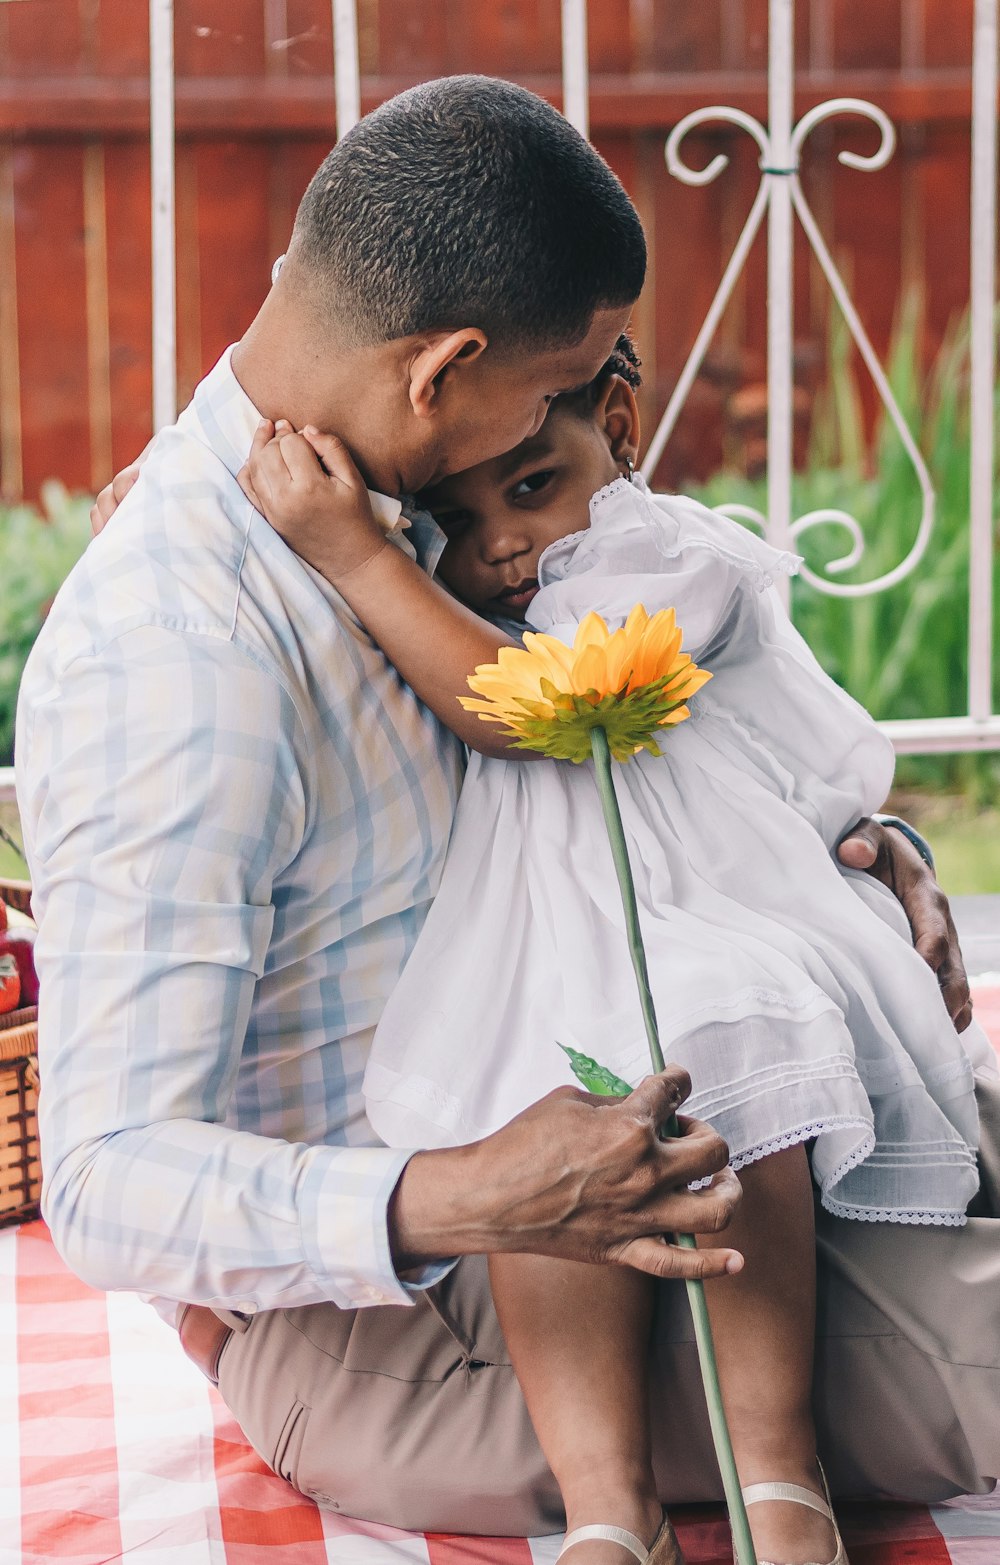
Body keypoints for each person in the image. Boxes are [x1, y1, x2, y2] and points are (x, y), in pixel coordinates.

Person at [37, 74, 992, 1559]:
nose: (591, 405)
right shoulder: (179, 648)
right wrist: (481, 1188)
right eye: (568, 371)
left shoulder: (415, 506)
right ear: (445, 371)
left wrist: (855, 859)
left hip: (651, 1135)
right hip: (439, 1308)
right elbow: (100, 1178)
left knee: (937, 1116)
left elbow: (647, 750)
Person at [238, 334, 998, 1565]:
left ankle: (778, 1476)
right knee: (534, 1137)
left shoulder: (661, 553)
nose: (496, 541)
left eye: (532, 484)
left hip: (704, 923)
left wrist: (359, 552)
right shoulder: (457, 598)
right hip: (545, 950)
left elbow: (533, 714)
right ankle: (610, 1504)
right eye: (455, 513)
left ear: (623, 425)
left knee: (726, 1072)